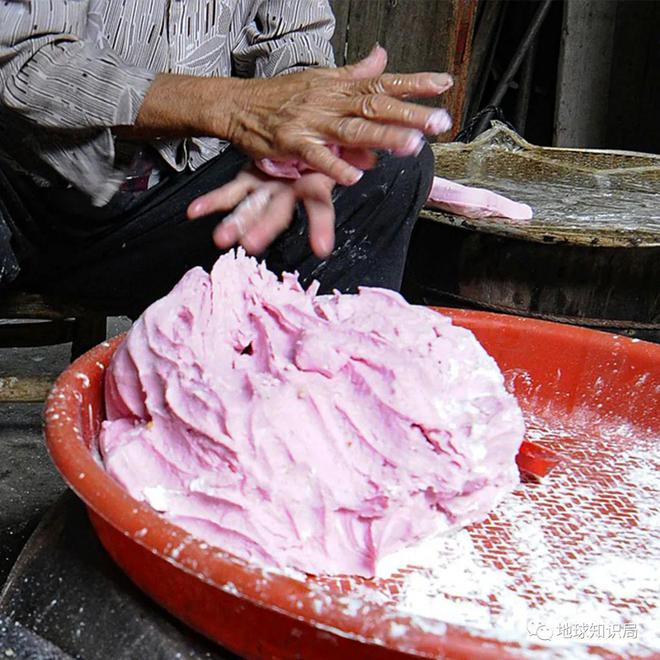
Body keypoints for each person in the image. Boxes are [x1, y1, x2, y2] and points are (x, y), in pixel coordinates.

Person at [0, 1, 452, 317]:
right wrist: (233, 107)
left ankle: (297, 421)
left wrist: (302, 150)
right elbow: (23, 64)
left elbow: (294, 42)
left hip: (174, 210)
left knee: (385, 168)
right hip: (28, 200)